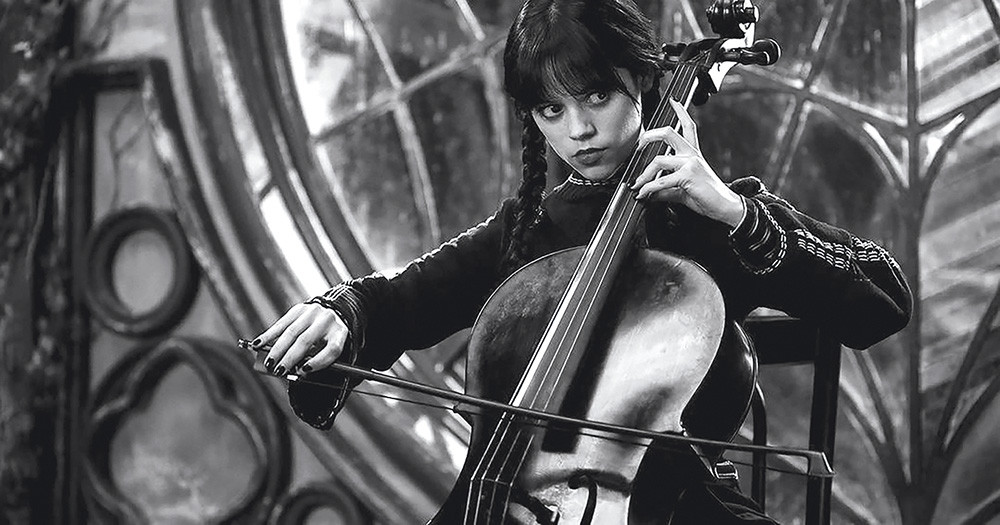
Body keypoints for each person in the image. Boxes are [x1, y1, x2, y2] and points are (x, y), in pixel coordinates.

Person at [251, 0, 912, 522]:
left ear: (642, 82)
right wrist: (341, 312)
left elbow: (883, 297)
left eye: (597, 96)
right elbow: (402, 299)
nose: (578, 129)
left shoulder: (710, 222)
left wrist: (735, 212)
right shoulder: (530, 230)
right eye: (551, 108)